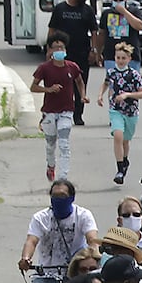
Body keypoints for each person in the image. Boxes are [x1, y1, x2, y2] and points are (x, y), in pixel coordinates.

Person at [31, 35, 86, 181]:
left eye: (61, 47)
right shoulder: (44, 68)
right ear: (50, 50)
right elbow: (33, 87)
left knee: (64, 144)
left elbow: (79, 81)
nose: (59, 50)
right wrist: (48, 89)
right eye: (56, 48)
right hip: (49, 111)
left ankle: (63, 178)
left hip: (66, 111)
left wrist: (82, 95)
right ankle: (51, 165)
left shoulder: (72, 67)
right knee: (50, 144)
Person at [97, 42, 142, 186]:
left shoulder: (134, 75)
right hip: (115, 109)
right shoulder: (112, 72)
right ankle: (119, 169)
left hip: (131, 112)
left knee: (125, 140)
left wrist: (127, 95)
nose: (120, 60)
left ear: (129, 59)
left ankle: (125, 160)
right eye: (118, 58)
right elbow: (106, 83)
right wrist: (100, 95)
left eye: (123, 58)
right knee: (117, 135)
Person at [47, 0, 93, 124]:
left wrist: (94, 51)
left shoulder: (87, 10)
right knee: (61, 82)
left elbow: (94, 32)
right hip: (62, 53)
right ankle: (60, 112)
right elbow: (52, 29)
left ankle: (78, 115)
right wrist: (49, 49)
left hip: (82, 52)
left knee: (80, 82)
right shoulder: (60, 9)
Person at [94, 0, 142, 68]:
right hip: (111, 56)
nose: (118, 1)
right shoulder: (106, 13)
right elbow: (101, 34)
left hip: (131, 56)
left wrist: (124, 12)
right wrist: (98, 52)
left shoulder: (134, 11)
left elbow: (140, 26)